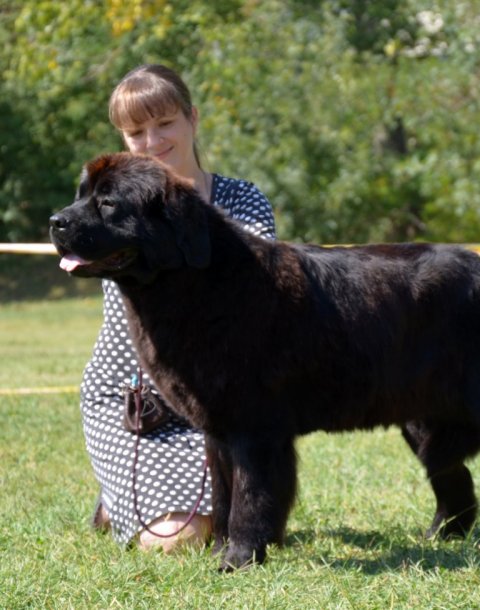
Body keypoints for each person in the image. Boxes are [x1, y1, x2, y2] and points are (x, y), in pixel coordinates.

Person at [83, 64, 276, 551]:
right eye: (136, 131)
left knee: (215, 529)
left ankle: (128, 502)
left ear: (192, 118)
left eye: (164, 122)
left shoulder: (242, 199)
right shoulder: (106, 200)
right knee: (175, 541)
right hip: (134, 401)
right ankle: (120, 493)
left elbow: (254, 304)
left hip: (216, 398)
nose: (152, 140)